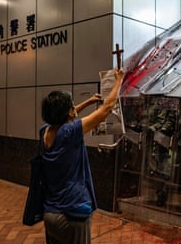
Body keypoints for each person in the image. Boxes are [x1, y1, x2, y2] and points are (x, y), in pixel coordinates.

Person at [40, 68, 123, 244]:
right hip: (72, 214)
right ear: (68, 112)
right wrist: (118, 81)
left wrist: (89, 101)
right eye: (72, 105)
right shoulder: (69, 132)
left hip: (50, 214)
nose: (74, 107)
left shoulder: (46, 131)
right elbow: (106, 110)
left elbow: (66, 114)